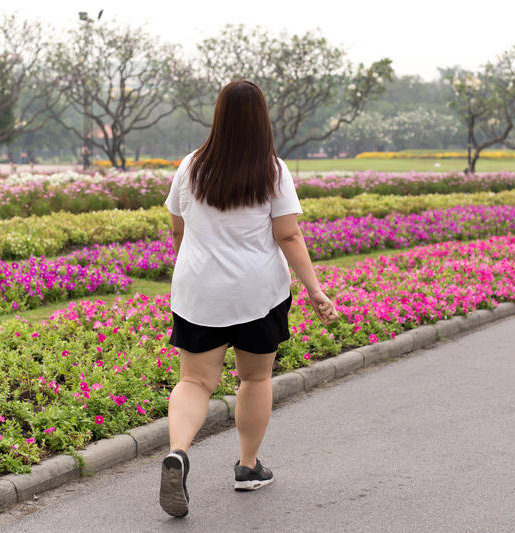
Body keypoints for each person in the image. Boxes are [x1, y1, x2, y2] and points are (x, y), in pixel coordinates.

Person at [159, 79, 338, 518]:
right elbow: (289, 234)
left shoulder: (190, 167)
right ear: (262, 120)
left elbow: (178, 229)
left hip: (198, 291)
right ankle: (247, 467)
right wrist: (315, 289)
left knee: (195, 381)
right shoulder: (272, 170)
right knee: (253, 379)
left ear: (217, 116)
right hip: (258, 292)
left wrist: (194, 269)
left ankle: (178, 452)